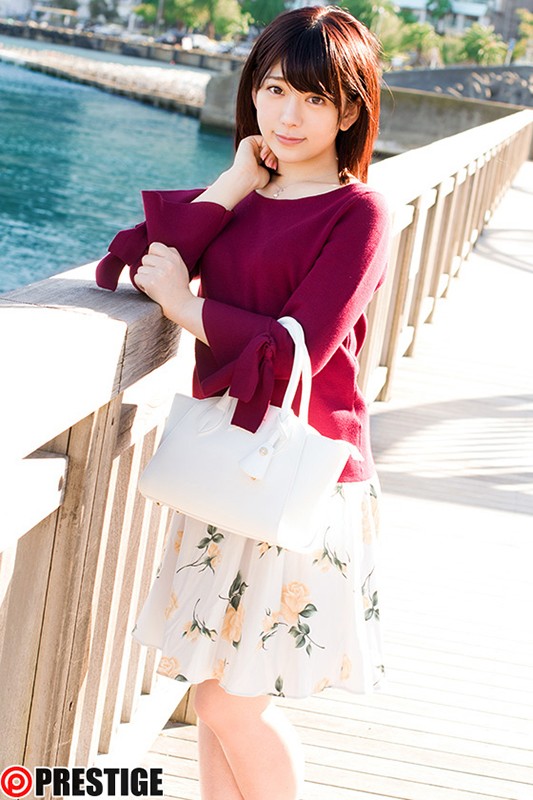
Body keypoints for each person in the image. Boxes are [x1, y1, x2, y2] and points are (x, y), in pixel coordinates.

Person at [100, 6, 390, 798]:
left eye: (315, 98)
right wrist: (231, 184)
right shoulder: (247, 194)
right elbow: (134, 262)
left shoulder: (358, 212)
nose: (288, 115)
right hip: (228, 464)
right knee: (212, 691)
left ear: (350, 111)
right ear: (251, 92)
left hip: (298, 472)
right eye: (273, 90)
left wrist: (187, 308)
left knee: (230, 702)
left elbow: (301, 348)